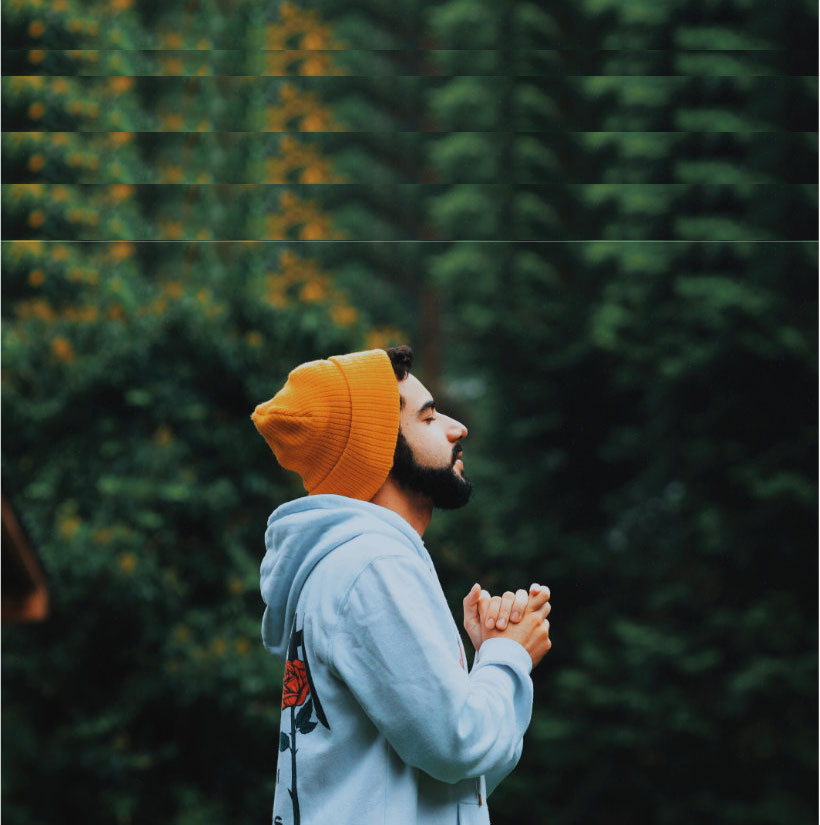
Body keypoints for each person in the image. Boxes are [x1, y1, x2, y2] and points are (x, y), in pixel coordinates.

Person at [251, 345, 551, 825]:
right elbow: (456, 746)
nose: (457, 427)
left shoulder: (351, 563)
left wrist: (486, 658)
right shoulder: (372, 564)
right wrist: (508, 658)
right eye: (429, 419)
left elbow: (450, 784)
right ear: (377, 451)